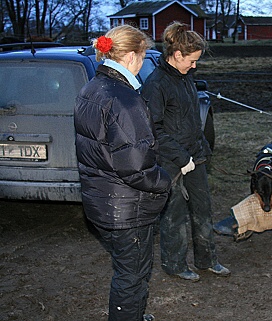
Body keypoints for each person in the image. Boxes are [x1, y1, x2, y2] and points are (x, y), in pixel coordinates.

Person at [74, 25, 171, 321]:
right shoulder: (124, 100)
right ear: (131, 56)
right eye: (142, 55)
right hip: (127, 208)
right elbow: (136, 167)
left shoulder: (92, 88)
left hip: (102, 202)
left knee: (127, 270)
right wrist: (165, 180)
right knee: (132, 276)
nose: (142, 62)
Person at [142, 21, 230, 281]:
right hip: (171, 161)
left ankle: (207, 260)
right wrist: (181, 158)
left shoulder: (186, 77)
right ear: (177, 54)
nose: (195, 66)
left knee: (203, 209)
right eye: (191, 61)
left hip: (195, 155)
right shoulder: (156, 84)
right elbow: (154, 129)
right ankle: (175, 264)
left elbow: (191, 118)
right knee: (174, 215)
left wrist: (201, 148)